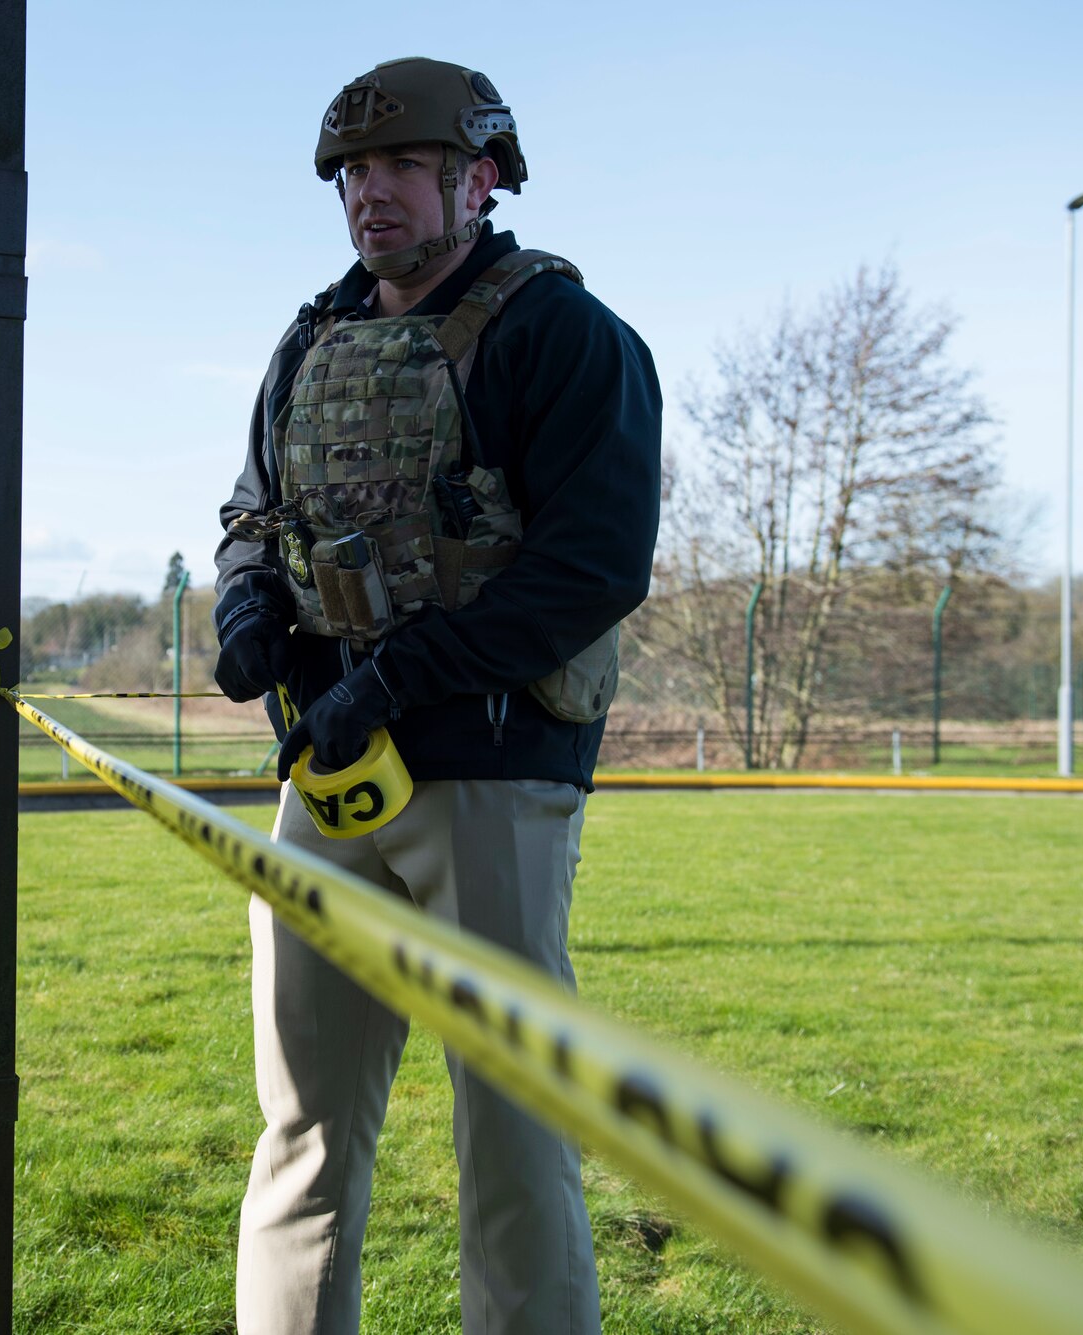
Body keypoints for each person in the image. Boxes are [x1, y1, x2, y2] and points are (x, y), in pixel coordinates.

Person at [210, 57, 662, 1335]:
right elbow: (250, 512)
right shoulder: (309, 340)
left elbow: (589, 571)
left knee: (512, 1137)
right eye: (353, 173)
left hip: (491, 770)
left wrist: (400, 677)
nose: (371, 194)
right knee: (299, 1129)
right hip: (332, 778)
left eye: (402, 165)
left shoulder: (563, 336)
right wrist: (247, 603)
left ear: (480, 178)